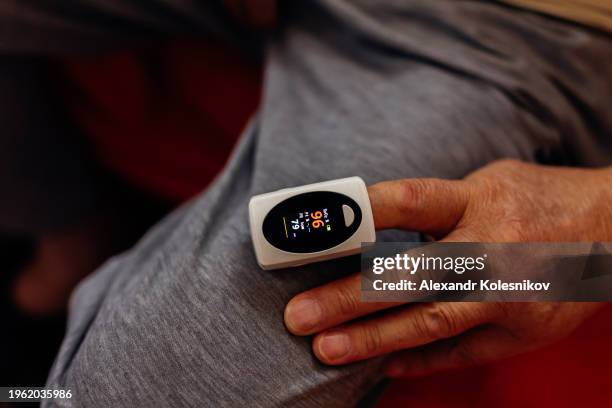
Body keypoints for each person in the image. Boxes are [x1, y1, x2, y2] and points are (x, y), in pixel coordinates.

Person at [1, 0, 611, 406]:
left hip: (507, 30)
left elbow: (584, 257)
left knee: (141, 390)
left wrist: (594, 244)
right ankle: (62, 220)